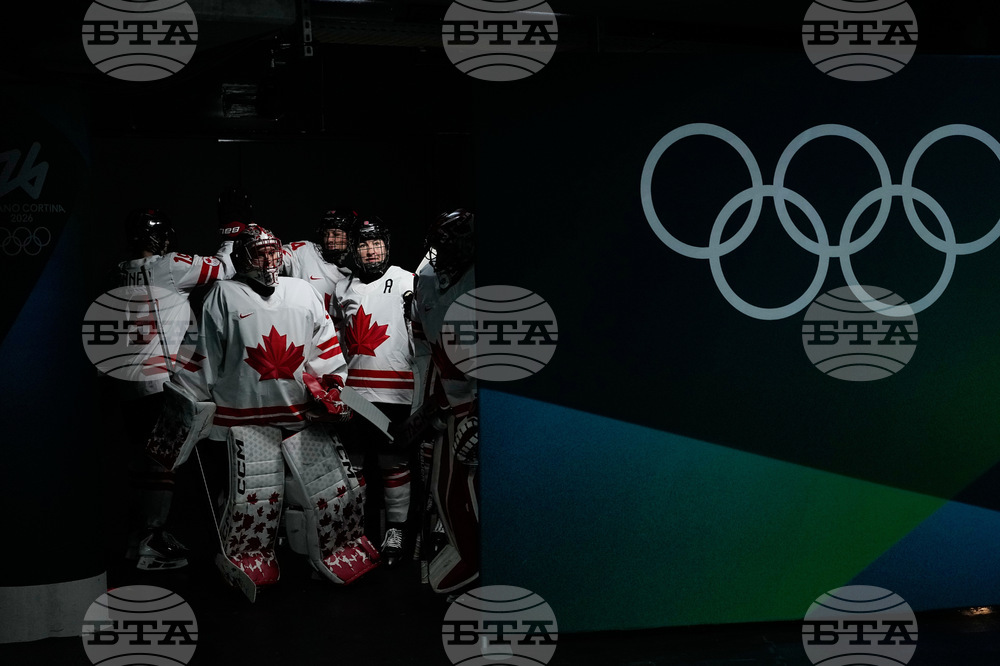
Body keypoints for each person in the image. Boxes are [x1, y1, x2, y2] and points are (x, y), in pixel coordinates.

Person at [169, 223, 380, 589]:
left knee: (329, 496)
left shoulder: (302, 292)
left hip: (301, 417)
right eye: (259, 253)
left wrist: (332, 389)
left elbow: (326, 348)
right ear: (241, 259)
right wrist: (185, 411)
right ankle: (247, 556)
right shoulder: (223, 296)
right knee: (251, 503)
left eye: (273, 252)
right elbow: (202, 357)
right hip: (241, 423)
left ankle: (319, 555)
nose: (269, 261)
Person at [113, 207, 234, 570]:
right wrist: (231, 233)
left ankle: (139, 539)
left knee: (142, 464)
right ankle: (152, 538)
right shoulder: (168, 266)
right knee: (163, 463)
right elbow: (222, 267)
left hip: (125, 385)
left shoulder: (118, 270)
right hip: (159, 384)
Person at [334, 216, 416, 566]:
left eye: (376, 243)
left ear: (387, 245)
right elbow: (339, 341)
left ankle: (396, 530)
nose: (371, 251)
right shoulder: (343, 288)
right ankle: (354, 531)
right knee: (352, 464)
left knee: (392, 462)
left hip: (396, 392)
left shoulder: (406, 280)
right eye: (364, 245)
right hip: (355, 392)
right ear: (354, 250)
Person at [408, 209, 479, 593]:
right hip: (453, 400)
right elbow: (424, 350)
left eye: (448, 244)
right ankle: (471, 558)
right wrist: (427, 406)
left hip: (483, 405)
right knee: (445, 491)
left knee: (471, 490)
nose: (438, 253)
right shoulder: (427, 276)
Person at [281, 208, 357, 316]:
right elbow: (274, 258)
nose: (329, 240)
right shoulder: (303, 251)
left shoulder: (356, 273)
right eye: (326, 234)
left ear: (350, 237)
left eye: (336, 235)